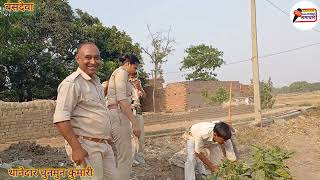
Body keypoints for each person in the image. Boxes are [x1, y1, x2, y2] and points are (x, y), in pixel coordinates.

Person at [53, 42, 116, 180]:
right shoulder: (71, 84)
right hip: (86, 147)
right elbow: (61, 119)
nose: (93, 62)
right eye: (88, 57)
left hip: (104, 145)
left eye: (97, 58)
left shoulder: (97, 83)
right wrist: (76, 149)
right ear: (78, 59)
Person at [106, 54, 141, 180]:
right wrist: (134, 123)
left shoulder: (118, 73)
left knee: (119, 156)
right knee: (125, 157)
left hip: (115, 115)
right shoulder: (122, 73)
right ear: (128, 64)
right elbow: (122, 100)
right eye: (135, 68)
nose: (135, 71)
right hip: (119, 115)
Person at [129, 72, 146, 165]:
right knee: (131, 137)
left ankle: (140, 156)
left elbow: (144, 96)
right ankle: (132, 158)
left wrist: (139, 87)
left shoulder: (137, 86)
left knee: (141, 136)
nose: (134, 79)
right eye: (132, 77)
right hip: (130, 113)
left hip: (138, 112)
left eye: (135, 77)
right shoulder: (125, 86)